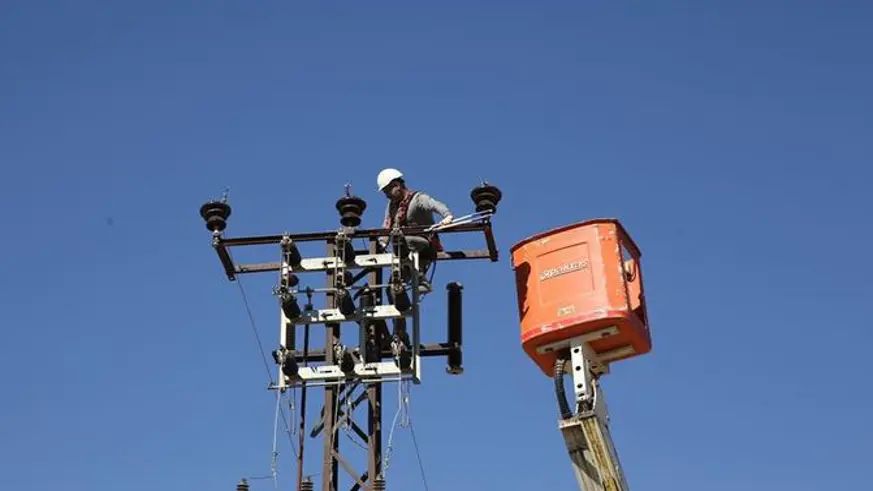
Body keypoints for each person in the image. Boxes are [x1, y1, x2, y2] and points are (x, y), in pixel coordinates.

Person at [376, 167, 453, 293]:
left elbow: (435, 205)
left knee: (399, 239)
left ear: (397, 185)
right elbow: (387, 226)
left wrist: (447, 216)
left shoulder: (418, 199)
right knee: (392, 288)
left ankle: (421, 279)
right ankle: (399, 304)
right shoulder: (392, 207)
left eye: (388, 192)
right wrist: (382, 242)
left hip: (423, 244)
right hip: (403, 250)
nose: (387, 196)